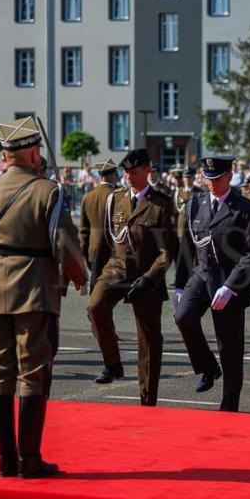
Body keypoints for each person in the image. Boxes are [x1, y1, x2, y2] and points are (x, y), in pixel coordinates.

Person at [0, 116, 87, 478]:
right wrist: (79, 274)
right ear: (34, 153)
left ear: (5, 155)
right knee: (32, 373)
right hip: (34, 290)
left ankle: (6, 460)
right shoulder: (48, 191)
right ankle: (30, 460)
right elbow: (65, 243)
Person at [87, 149, 178, 406]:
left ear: (148, 170)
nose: (128, 176)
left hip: (147, 273)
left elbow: (167, 251)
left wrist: (149, 279)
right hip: (117, 268)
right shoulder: (115, 198)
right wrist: (97, 274)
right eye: (125, 172)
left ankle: (147, 398)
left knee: (148, 339)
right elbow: (108, 238)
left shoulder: (162, 203)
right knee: (95, 307)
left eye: (134, 172)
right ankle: (113, 363)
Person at [173, 156, 250, 412]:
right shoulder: (194, 206)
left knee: (230, 347)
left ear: (229, 176)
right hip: (201, 275)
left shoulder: (245, 208)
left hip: (230, 280)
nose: (211, 183)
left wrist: (232, 286)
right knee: (183, 317)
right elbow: (186, 249)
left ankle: (229, 405)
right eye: (208, 178)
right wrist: (179, 285)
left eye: (217, 178)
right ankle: (208, 367)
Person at [79, 158, 119, 292]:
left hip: (94, 251)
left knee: (95, 291)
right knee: (108, 295)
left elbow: (83, 232)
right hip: (113, 251)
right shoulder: (118, 195)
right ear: (113, 175)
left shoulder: (87, 197)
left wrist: (86, 254)